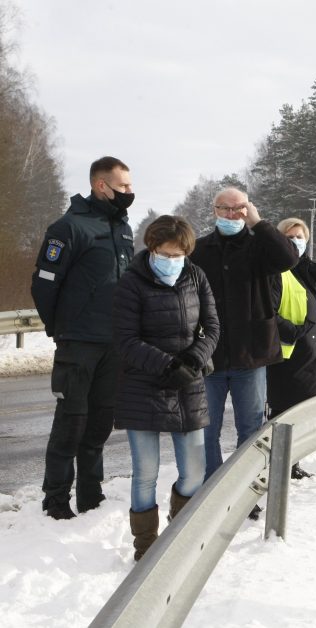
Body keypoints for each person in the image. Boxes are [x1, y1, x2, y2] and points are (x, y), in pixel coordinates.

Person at [30, 156, 136, 520]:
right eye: (123, 186)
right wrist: (60, 327)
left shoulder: (123, 228)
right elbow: (44, 284)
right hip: (78, 343)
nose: (129, 192)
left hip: (114, 345)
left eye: (130, 185)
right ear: (100, 185)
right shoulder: (69, 227)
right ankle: (56, 500)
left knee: (99, 424)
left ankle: (91, 495)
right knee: (71, 423)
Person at [112, 216, 219, 560]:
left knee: (194, 472)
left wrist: (193, 360)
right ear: (152, 247)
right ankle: (145, 546)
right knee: (145, 472)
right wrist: (168, 364)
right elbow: (126, 340)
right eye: (166, 253)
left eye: (179, 255)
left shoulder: (196, 275)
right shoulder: (132, 282)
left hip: (189, 386)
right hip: (143, 386)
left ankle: (178, 522)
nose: (172, 261)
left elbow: (212, 326)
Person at [189, 188, 298, 492]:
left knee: (250, 429)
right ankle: (210, 490)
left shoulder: (260, 247)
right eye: (226, 209)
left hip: (251, 355)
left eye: (240, 208)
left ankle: (242, 491)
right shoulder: (198, 251)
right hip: (209, 357)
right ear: (215, 211)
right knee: (205, 431)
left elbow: (289, 258)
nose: (233, 214)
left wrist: (259, 223)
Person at [267, 218, 316, 478]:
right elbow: (268, 313)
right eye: (289, 236)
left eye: (300, 236)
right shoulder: (276, 272)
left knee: (303, 418)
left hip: (314, 358)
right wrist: (293, 332)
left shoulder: (309, 273)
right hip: (289, 360)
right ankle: (281, 469)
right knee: (285, 417)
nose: (296, 240)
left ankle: (291, 465)